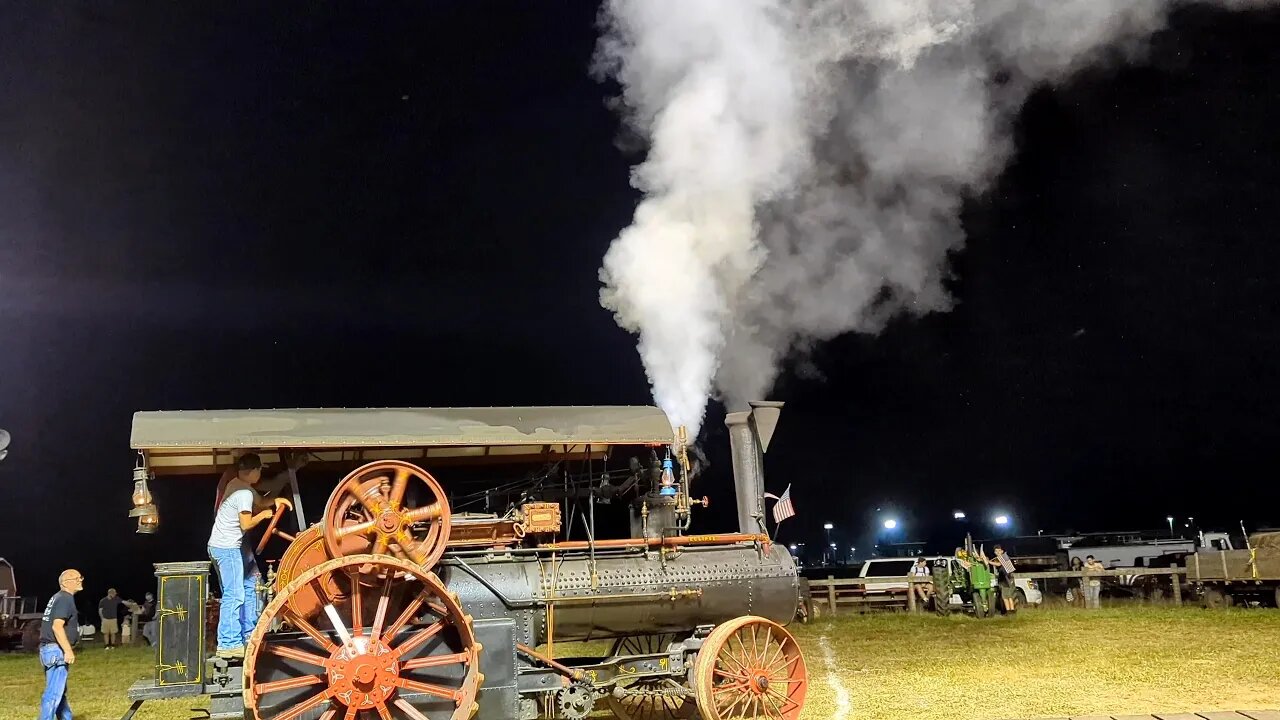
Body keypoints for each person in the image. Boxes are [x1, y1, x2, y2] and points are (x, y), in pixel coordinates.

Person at [208, 452, 291, 659]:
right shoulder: (242, 493)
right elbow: (246, 523)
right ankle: (228, 644)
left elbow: (261, 501)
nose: (260, 474)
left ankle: (247, 635)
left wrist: (275, 501)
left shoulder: (239, 485)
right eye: (259, 470)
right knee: (234, 593)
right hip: (227, 548)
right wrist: (263, 516)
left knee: (249, 584)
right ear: (253, 471)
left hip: (226, 546)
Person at [39, 569, 83, 720]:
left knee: (60, 692)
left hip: (49, 651)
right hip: (56, 651)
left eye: (80, 577)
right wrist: (68, 651)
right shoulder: (65, 598)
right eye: (76, 578)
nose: (80, 580)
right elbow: (57, 626)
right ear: (65, 583)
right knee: (53, 694)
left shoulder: (57, 597)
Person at [991, 545, 1018, 614]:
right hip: (1003, 580)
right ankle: (1009, 611)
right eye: (996, 551)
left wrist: (988, 562)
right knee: (1005, 597)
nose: (997, 552)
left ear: (1002, 551)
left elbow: (998, 564)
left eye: (999, 550)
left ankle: (1011, 611)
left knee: (1009, 596)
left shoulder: (1004, 556)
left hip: (1008, 579)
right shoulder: (999, 557)